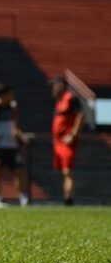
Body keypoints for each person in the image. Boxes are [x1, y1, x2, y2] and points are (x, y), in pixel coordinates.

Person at [50, 76, 85, 206]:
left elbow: (81, 115)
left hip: (67, 142)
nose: (53, 89)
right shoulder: (58, 101)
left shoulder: (71, 98)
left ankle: (69, 200)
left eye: (55, 85)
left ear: (62, 85)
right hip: (58, 142)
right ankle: (66, 197)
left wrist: (73, 134)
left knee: (67, 171)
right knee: (63, 172)